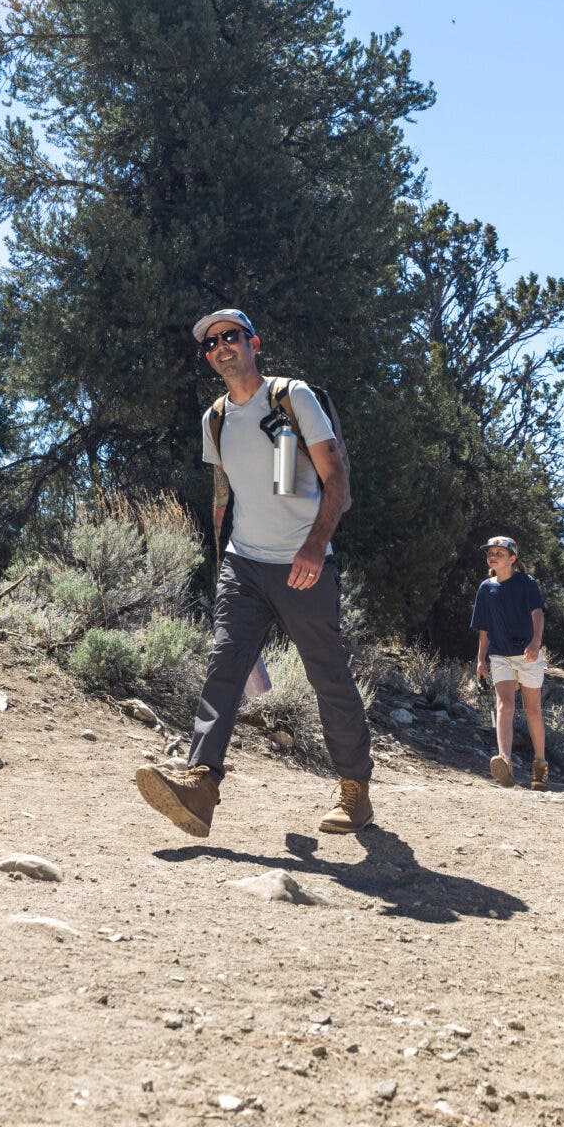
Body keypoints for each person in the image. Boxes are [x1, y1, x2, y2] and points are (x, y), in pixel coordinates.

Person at [134, 307, 376, 838]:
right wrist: (222, 559)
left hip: (303, 565)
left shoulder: (293, 397)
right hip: (244, 564)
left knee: (328, 675)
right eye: (211, 343)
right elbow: (223, 492)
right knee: (224, 666)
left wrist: (315, 546)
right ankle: (200, 786)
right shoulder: (215, 418)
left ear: (254, 343)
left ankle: (355, 789)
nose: (221, 346)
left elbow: (336, 478)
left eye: (231, 336)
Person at [470, 535, 547, 789]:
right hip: (499, 655)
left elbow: (537, 613)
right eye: (490, 553)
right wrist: (480, 660)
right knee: (504, 705)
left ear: (513, 558)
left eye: (499, 553)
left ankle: (540, 765)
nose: (493, 557)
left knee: (532, 710)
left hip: (527, 655)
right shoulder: (485, 588)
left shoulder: (527, 583)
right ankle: (505, 761)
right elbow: (483, 628)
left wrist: (535, 643)